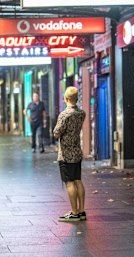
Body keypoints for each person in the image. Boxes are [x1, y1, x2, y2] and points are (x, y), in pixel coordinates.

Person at [53, 86, 87, 222]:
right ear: (76, 98)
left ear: (66, 98)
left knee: (69, 183)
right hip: (77, 152)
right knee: (78, 180)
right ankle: (81, 211)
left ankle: (74, 212)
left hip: (66, 154)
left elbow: (56, 133)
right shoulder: (81, 113)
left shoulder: (64, 114)